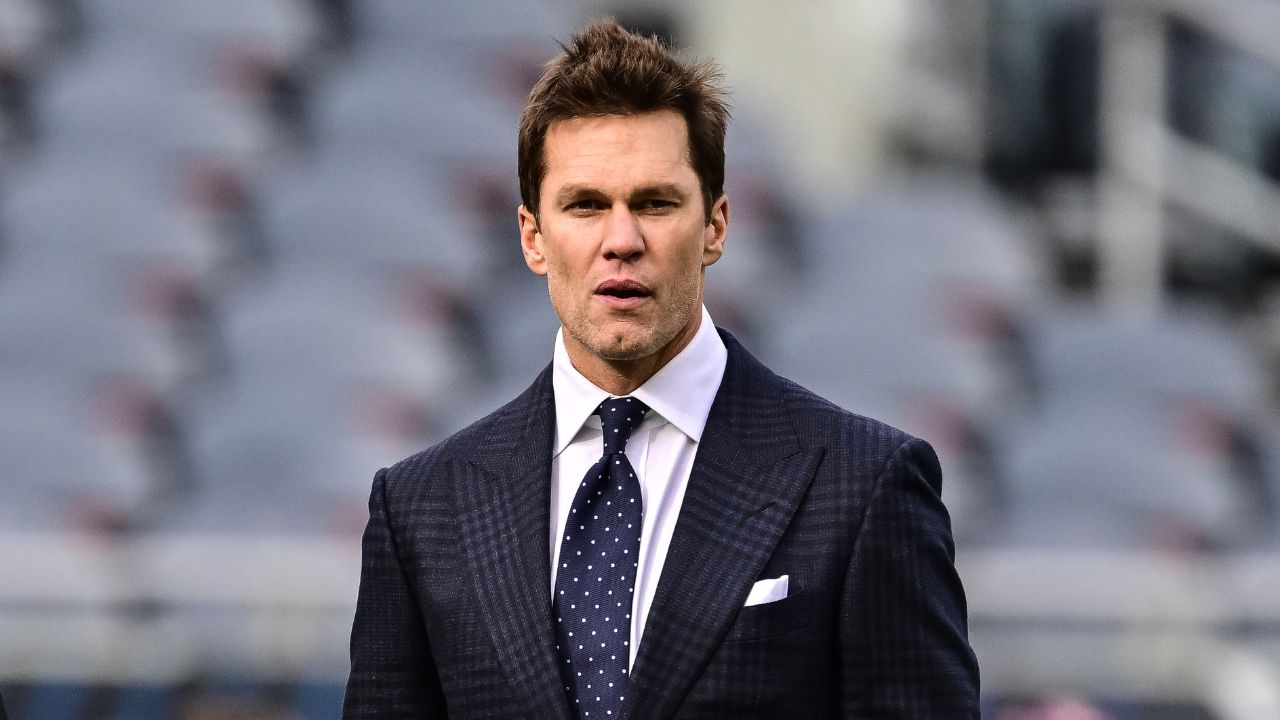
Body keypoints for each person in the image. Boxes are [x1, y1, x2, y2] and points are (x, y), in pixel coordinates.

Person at [344, 19, 980, 719]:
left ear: (715, 226)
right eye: (585, 205)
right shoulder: (421, 509)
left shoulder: (864, 485)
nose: (622, 241)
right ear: (532, 237)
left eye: (655, 203)